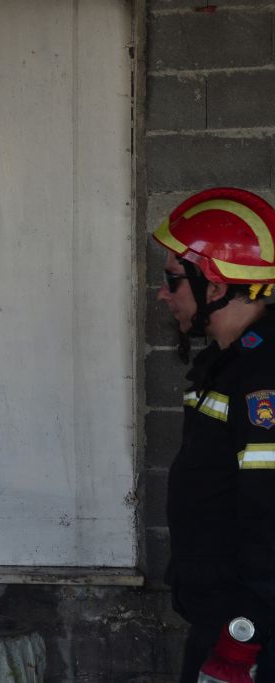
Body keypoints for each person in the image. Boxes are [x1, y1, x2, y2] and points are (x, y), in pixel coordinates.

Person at [154, 188, 275, 683]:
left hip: (247, 635)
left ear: (219, 288)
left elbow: (271, 514)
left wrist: (242, 637)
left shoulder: (262, 381)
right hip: (221, 620)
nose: (163, 294)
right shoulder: (227, 366)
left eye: (173, 280)